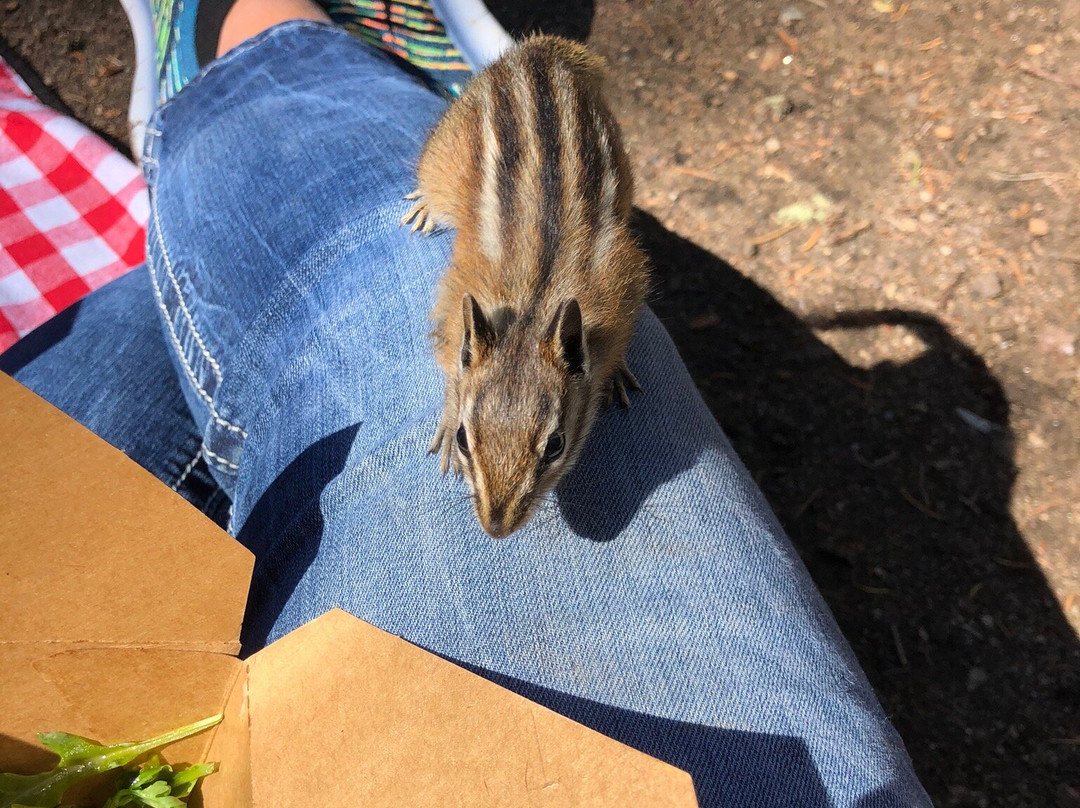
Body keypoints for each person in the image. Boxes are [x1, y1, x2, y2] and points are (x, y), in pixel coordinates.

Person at [0, 0, 932, 804]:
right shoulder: (484, 322)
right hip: (490, 207)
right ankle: (274, 52)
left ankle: (252, 70)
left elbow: (615, 282)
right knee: (362, 224)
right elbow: (460, 315)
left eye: (549, 457)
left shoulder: (591, 318)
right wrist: (459, 406)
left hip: (533, 263)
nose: (501, 517)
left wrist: (600, 373)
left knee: (227, 281)